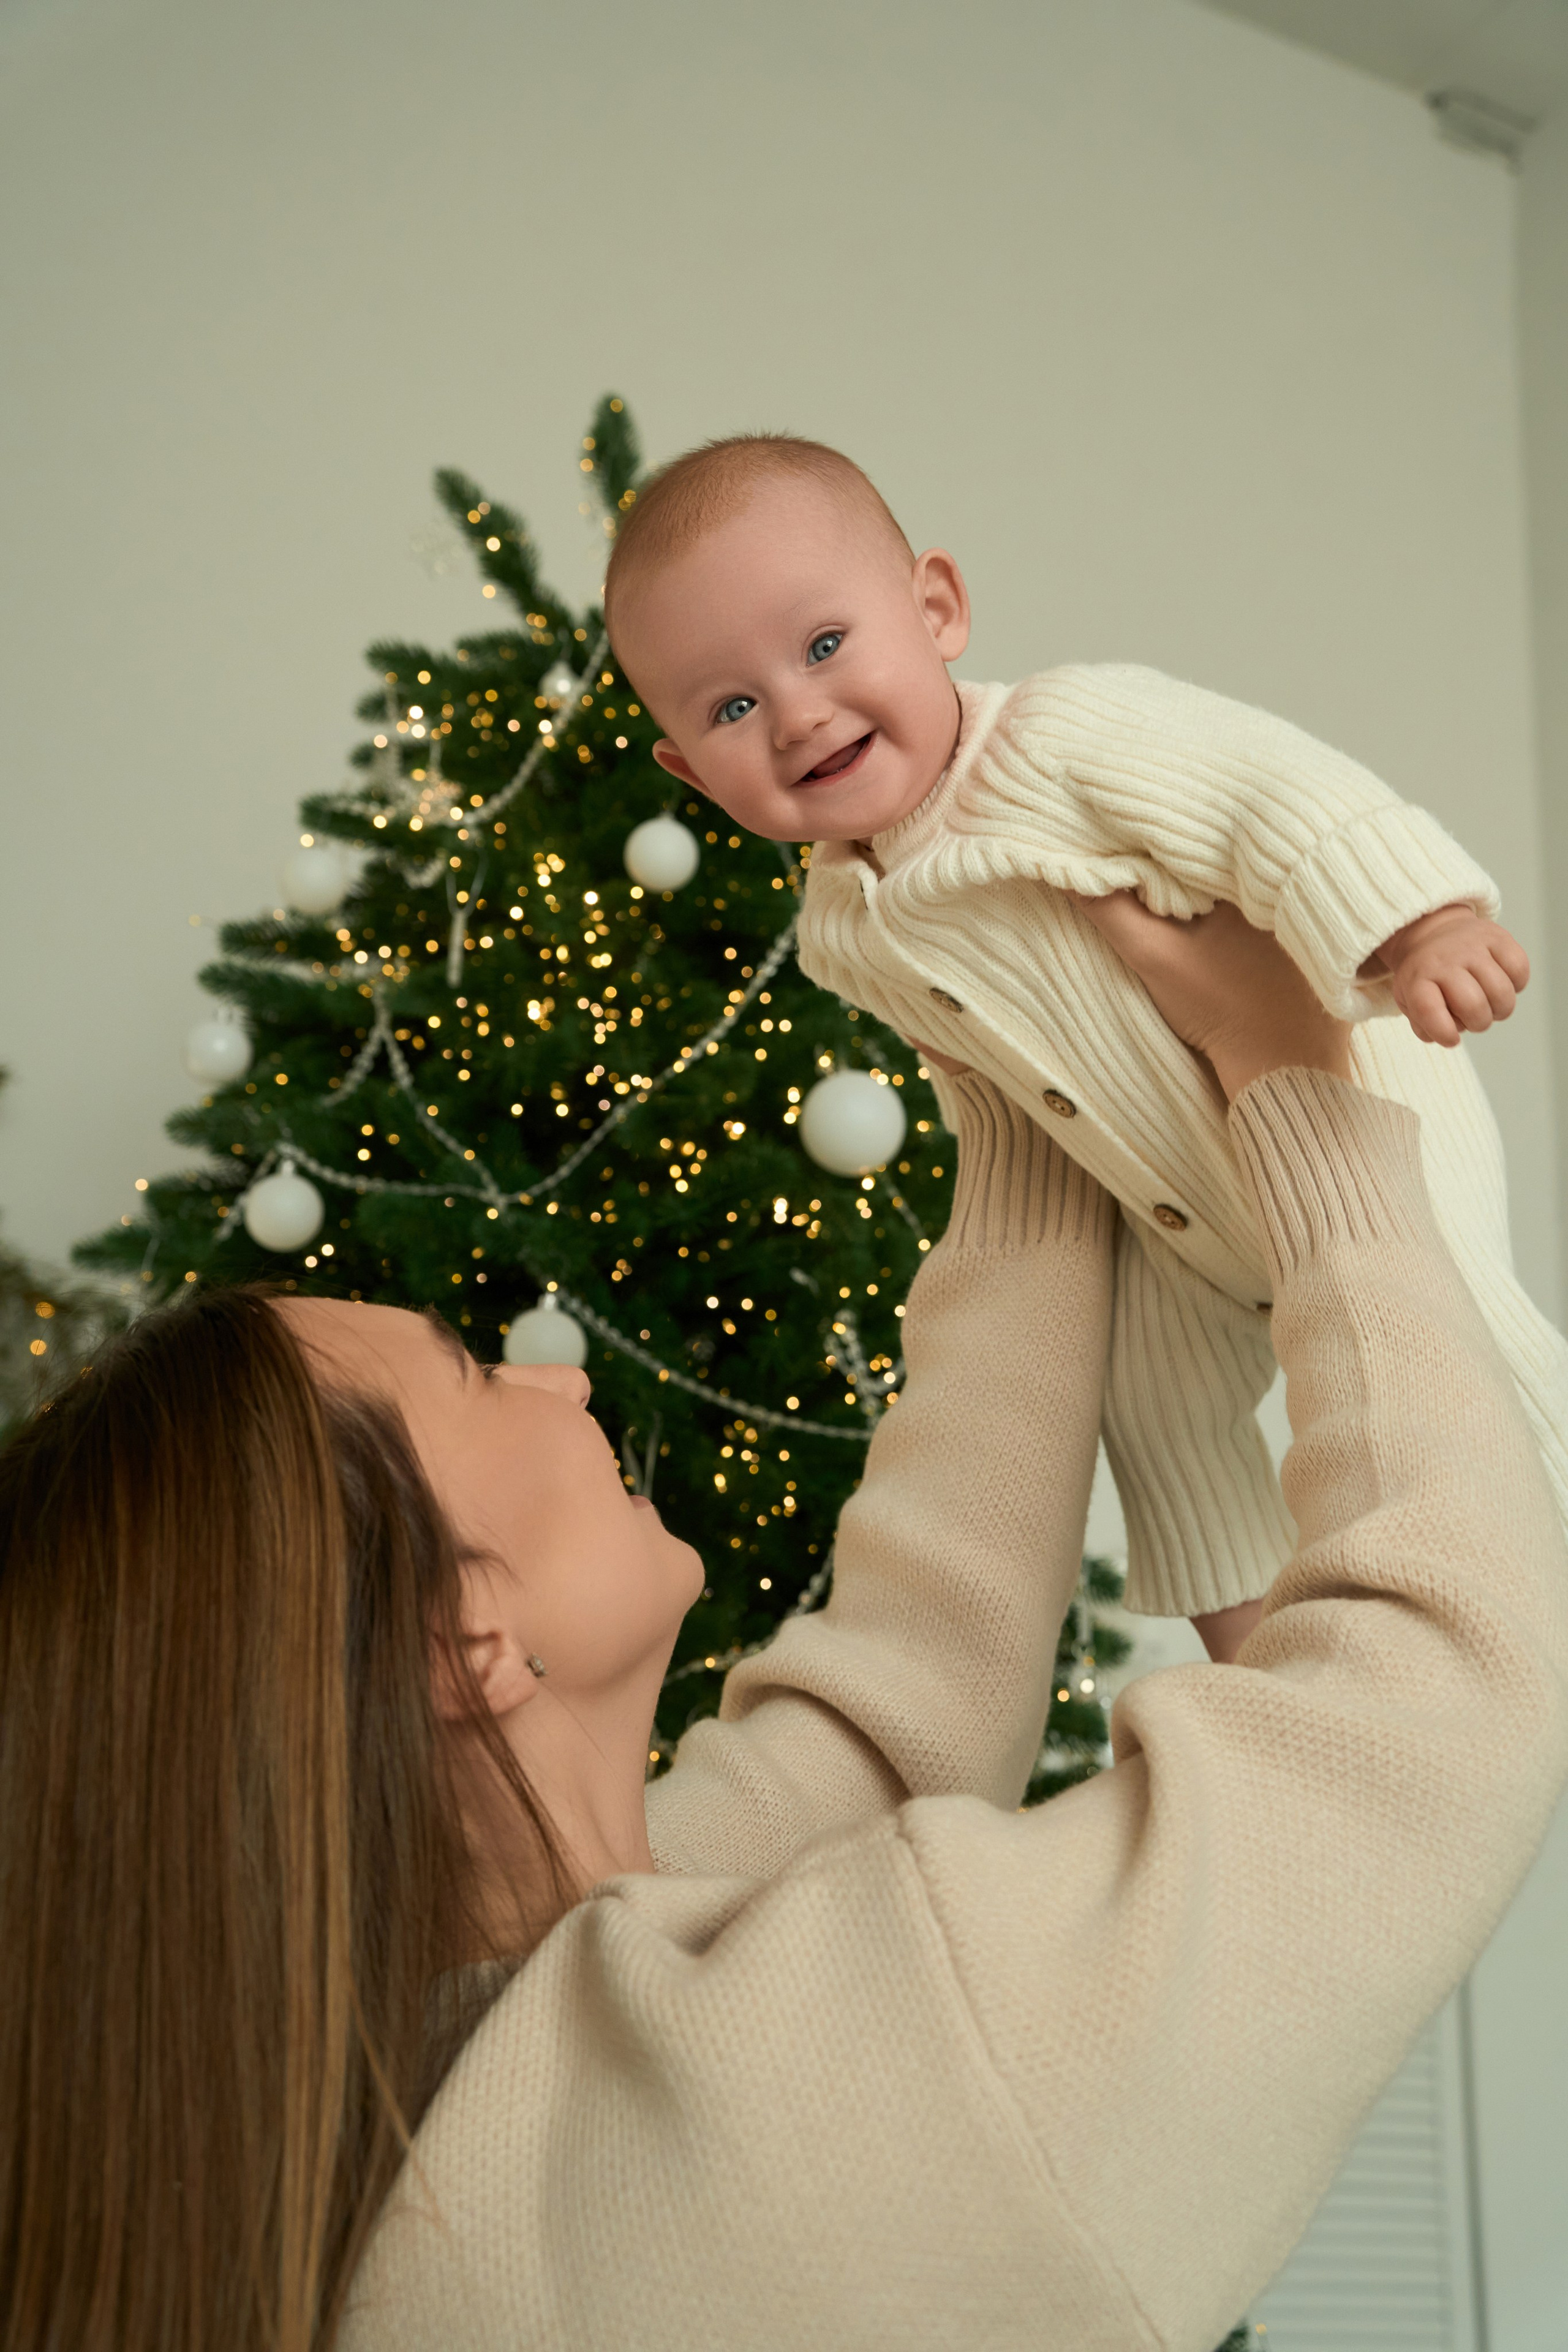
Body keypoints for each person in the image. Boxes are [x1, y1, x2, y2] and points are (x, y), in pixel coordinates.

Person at [2, 903, 1565, 2352]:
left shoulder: (432, 2066)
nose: (555, 1377)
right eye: (476, 1376)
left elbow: (894, 1714)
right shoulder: (781, 2113)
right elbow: (1436, 1691)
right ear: (465, 1637)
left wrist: (1024, 1096)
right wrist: (1295, 1091)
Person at [603, 433, 1567, 1665]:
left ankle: (1530, 1538)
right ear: (690, 772)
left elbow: (1268, 794)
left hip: (1348, 1105)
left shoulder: (1066, 736)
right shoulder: (843, 929)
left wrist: (1420, 921)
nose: (797, 713)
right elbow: (995, 1098)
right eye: (732, 707)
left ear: (935, 608)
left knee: (1457, 1330)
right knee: (1152, 1409)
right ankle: (1254, 1656)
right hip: (1167, 1211)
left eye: (825, 645)